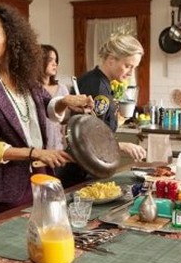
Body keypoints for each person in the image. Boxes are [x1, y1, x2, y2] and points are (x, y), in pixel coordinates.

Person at [0, 4, 93, 216]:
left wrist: (66, 101)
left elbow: (48, 106)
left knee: (50, 231)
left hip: (44, 173)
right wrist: (36, 153)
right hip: (9, 187)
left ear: (10, 37)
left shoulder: (26, 78)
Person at [59, 33, 147, 187]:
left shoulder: (96, 80)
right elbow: (90, 137)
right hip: (81, 171)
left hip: (84, 166)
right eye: (128, 66)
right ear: (111, 59)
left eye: (134, 67)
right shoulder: (99, 88)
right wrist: (122, 146)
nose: (131, 73)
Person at [41, 44, 69, 150]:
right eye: (50, 60)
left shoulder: (62, 89)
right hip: (39, 149)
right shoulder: (32, 89)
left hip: (58, 147)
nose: (55, 64)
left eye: (56, 60)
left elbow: (65, 122)